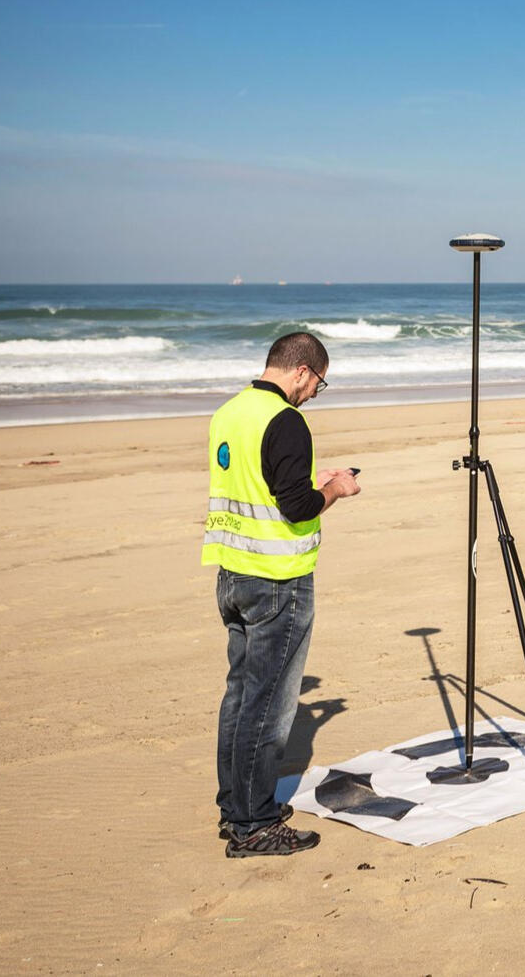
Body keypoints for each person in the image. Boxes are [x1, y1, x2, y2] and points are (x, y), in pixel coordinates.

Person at [203, 332, 361, 857]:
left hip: (232, 573)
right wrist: (336, 488)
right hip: (277, 579)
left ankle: (238, 805)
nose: (315, 393)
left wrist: (310, 481)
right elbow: (296, 507)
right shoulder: (286, 420)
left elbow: (262, 484)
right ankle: (254, 825)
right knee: (268, 706)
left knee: (241, 695)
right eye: (319, 383)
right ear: (300, 371)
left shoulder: (229, 413)